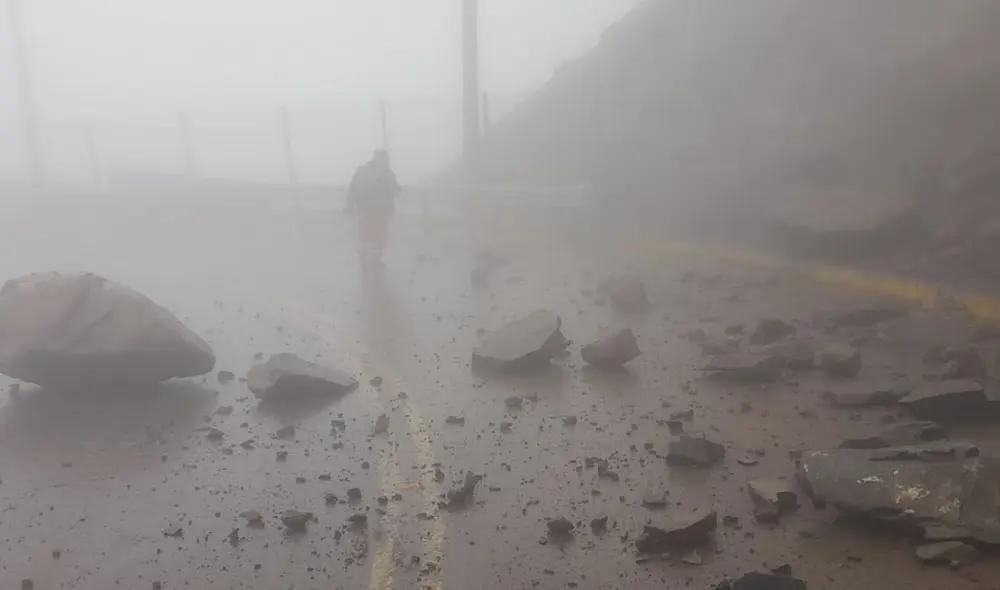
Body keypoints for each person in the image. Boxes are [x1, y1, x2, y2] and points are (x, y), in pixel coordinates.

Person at [345, 149, 401, 267]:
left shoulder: (362, 170)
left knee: (365, 232)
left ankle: (364, 257)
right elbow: (395, 189)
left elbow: (353, 187)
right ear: (384, 158)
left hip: (364, 209)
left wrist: (349, 204)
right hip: (382, 210)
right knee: (379, 234)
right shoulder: (387, 172)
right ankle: (375, 258)